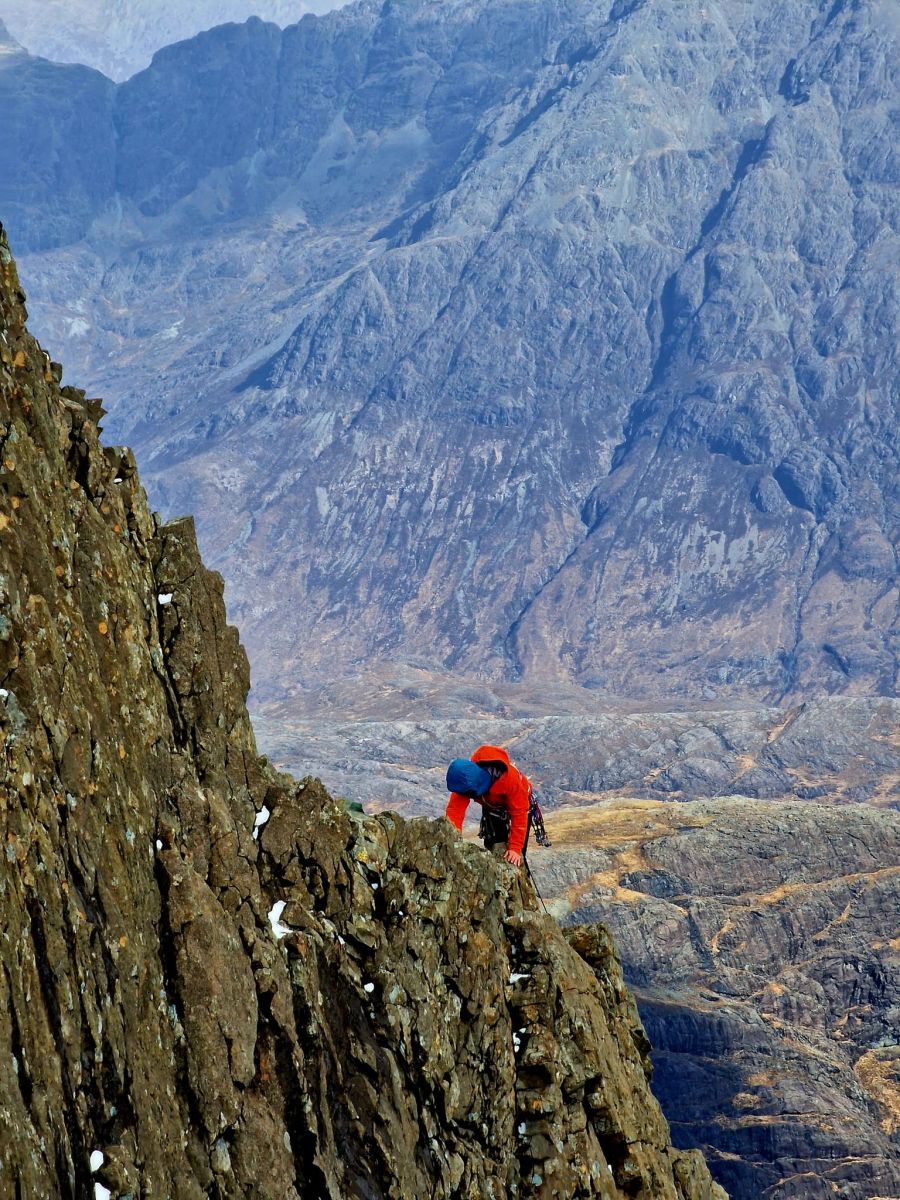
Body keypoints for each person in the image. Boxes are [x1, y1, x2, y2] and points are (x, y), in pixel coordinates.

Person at [445, 745, 533, 867]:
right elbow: (455, 810)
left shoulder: (510, 780)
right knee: (494, 844)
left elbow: (519, 813)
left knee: (515, 857)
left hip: (521, 804)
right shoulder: (465, 779)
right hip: (493, 808)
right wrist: (452, 839)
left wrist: (515, 848)